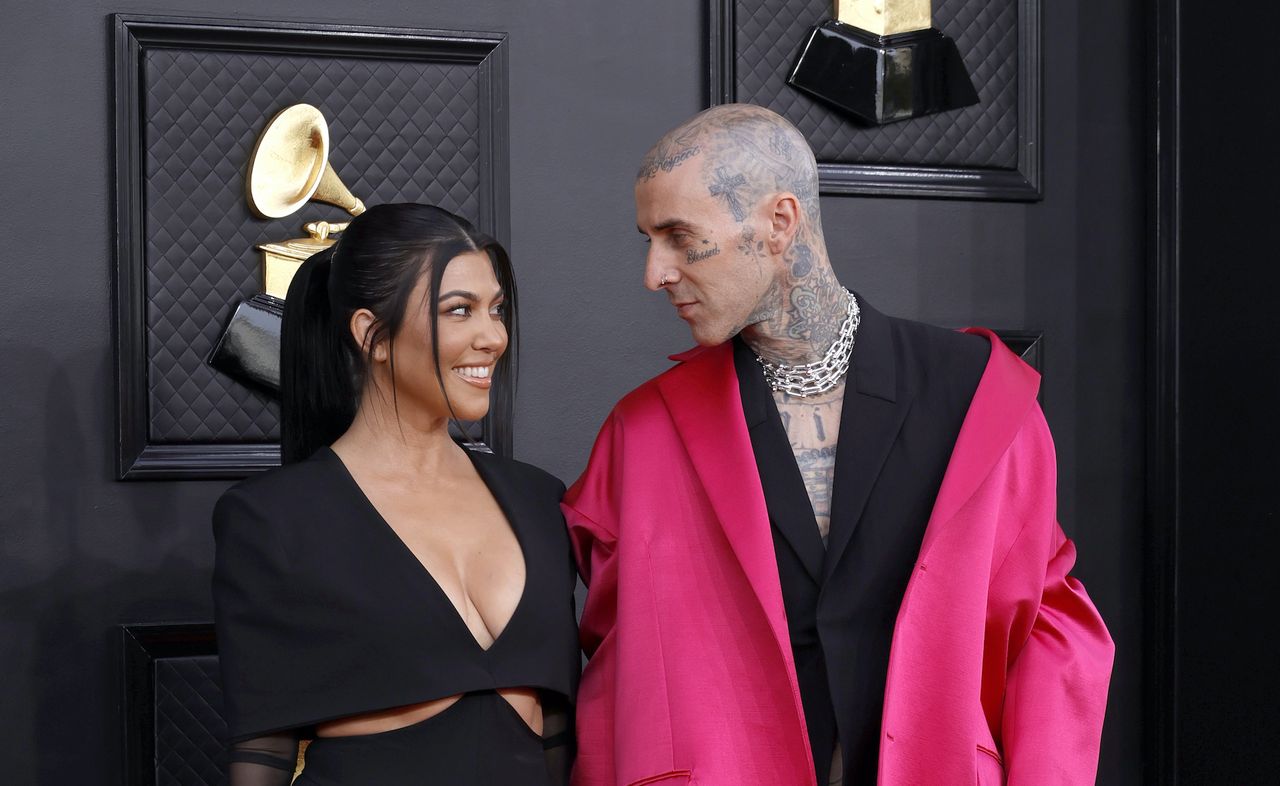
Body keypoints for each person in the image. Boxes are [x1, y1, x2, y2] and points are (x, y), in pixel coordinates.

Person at [564, 105, 1114, 785]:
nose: (656, 272)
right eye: (649, 240)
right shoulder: (643, 434)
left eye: (680, 237)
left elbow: (1046, 631)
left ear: (780, 220)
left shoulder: (976, 398)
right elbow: (617, 674)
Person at [212, 203, 579, 786]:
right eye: (459, 310)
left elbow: (557, 736)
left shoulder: (541, 501)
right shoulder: (274, 518)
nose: (494, 337)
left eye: (496, 310)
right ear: (371, 335)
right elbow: (262, 757)